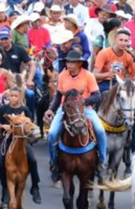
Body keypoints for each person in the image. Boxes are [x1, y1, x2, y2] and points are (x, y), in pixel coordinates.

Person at [44, 49, 107, 182]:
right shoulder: (62, 75)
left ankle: (102, 161)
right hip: (65, 108)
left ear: (79, 63)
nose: (70, 65)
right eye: (68, 62)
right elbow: (58, 96)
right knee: (52, 134)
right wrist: (51, 109)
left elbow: (97, 96)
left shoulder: (88, 76)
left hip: (85, 108)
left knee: (100, 130)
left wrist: (83, 101)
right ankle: (54, 162)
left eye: (73, 62)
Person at [0, 86, 42, 205]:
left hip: (22, 141)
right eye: (11, 96)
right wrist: (3, 126)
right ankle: (5, 187)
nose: (13, 98)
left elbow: (30, 124)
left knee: (33, 160)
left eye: (16, 96)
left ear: (20, 97)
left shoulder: (24, 109)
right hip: (8, 140)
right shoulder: (3, 108)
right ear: (8, 96)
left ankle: (35, 187)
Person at [93, 29, 134, 94]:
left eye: (126, 41)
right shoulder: (104, 53)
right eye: (121, 40)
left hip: (119, 83)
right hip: (104, 83)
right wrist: (108, 74)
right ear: (115, 40)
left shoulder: (129, 57)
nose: (123, 43)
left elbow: (131, 75)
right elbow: (94, 75)